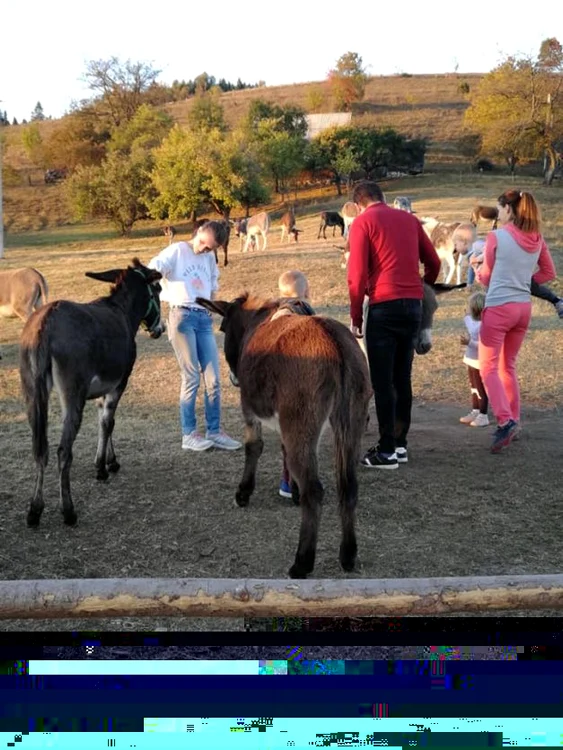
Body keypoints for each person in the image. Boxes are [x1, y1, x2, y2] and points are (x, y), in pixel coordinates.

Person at [347, 180, 442, 469]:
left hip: (383, 305)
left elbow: (357, 273)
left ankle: (386, 450)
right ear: (382, 198)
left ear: (359, 203)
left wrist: (356, 316)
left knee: (383, 381)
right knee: (402, 377)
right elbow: (434, 262)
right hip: (412, 306)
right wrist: (420, 287)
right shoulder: (409, 219)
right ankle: (400, 444)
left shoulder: (363, 222)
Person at [470, 189, 556, 453]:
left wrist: (476, 267)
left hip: (499, 307)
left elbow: (486, 278)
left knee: (488, 368)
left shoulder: (496, 236)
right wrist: (520, 280)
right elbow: (548, 273)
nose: (499, 213)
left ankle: (505, 421)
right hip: (523, 309)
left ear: (508, 209)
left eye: (500, 208)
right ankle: (514, 420)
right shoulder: (536, 237)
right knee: (508, 366)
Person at [148, 221, 242, 452]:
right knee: (191, 377)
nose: (203, 249)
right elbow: (153, 271)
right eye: (202, 243)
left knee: (214, 379)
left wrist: (209, 308)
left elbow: (211, 285)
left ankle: (214, 431)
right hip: (181, 316)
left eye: (210, 248)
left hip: (202, 318)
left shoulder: (209, 258)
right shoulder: (178, 251)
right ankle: (189, 434)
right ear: (198, 232)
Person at [276, 270, 315, 497]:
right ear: (306, 291)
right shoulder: (307, 313)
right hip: (303, 380)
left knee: (287, 434)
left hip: (281, 385)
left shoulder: (275, 316)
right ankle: (300, 480)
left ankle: (286, 479)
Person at [459, 291, 489, 427]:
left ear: (475, 309)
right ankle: (475, 410)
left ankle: (483, 415)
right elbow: (467, 320)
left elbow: (483, 346)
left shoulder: (484, 326)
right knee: (473, 387)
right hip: (470, 360)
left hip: (479, 361)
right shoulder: (472, 321)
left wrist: (468, 342)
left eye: (470, 306)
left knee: (480, 387)